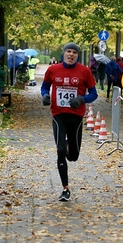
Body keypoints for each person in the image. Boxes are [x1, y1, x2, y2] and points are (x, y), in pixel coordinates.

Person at [40, 42, 98, 202]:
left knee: (73, 156)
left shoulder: (84, 71)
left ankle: (68, 147)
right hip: (59, 115)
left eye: (74, 52)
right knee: (59, 150)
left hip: (77, 117)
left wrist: (81, 99)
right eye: (68, 51)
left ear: (77, 55)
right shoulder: (53, 70)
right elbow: (45, 87)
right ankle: (65, 188)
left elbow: (94, 94)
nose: (71, 54)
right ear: (63, 54)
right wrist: (44, 96)